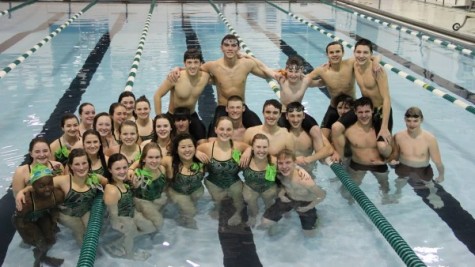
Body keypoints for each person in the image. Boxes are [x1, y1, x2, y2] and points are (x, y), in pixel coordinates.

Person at [169, 34, 277, 137]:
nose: (230, 48)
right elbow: (192, 69)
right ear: (221, 48)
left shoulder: (246, 64)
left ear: (238, 48)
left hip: (241, 107)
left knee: (260, 133)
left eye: (233, 45)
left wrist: (249, 56)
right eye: (227, 45)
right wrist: (177, 68)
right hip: (222, 108)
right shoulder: (213, 65)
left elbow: (266, 74)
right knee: (211, 138)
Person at [17, 149, 107, 245]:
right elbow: (39, 185)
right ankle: (85, 255)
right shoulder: (63, 181)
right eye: (77, 164)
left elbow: (107, 183)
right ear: (71, 166)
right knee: (80, 231)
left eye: (84, 163)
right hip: (66, 214)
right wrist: (22, 191)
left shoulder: (95, 178)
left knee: (94, 231)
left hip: (85, 210)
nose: (81, 167)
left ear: (89, 164)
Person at [332, 39, 391, 162]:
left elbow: (387, 99)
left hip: (379, 110)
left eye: (365, 53)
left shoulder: (378, 71)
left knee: (383, 147)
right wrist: (328, 63)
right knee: (336, 127)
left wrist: (384, 127)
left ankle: (394, 153)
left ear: (370, 54)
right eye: (358, 52)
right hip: (363, 108)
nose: (361, 55)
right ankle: (341, 158)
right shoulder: (354, 64)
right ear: (354, 52)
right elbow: (338, 62)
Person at [307, 41, 380, 141]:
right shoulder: (322, 70)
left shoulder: (351, 63)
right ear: (327, 54)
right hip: (334, 108)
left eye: (338, 51)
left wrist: (376, 63)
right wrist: (319, 82)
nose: (335, 54)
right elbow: (306, 80)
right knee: (322, 139)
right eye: (331, 52)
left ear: (343, 52)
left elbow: (375, 56)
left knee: (357, 138)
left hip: (352, 109)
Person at [259, 149, 326, 237]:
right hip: (288, 199)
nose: (284, 166)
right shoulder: (279, 173)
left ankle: (316, 218)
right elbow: (284, 185)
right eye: (281, 163)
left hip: (305, 203)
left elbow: (322, 195)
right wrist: (281, 195)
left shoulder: (304, 180)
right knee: (265, 223)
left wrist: (309, 207)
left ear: (294, 163)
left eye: (288, 162)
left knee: (310, 236)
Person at [197, 116, 249, 226]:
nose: (225, 133)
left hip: (233, 180)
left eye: (228, 129)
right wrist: (197, 153)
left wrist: (247, 152)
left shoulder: (237, 146)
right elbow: (192, 150)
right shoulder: (207, 147)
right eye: (221, 129)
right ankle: (218, 206)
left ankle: (238, 213)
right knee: (220, 203)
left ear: (233, 131)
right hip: (213, 181)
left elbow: (250, 147)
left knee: (239, 202)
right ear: (215, 129)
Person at [389, 107, 445, 208]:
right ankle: (397, 193)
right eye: (409, 120)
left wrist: (441, 175)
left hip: (423, 169)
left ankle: (433, 196)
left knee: (430, 184)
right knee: (399, 181)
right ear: (405, 120)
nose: (411, 124)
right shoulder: (398, 136)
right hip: (403, 166)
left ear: (421, 120)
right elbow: (394, 154)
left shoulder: (429, 139)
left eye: (415, 121)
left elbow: (437, 161)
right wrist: (392, 160)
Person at [103, 153, 156, 260]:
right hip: (121, 217)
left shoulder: (124, 182)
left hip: (131, 213)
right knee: (130, 231)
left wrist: (135, 186)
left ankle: (117, 243)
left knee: (150, 227)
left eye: (124, 167)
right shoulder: (112, 190)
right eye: (117, 168)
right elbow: (113, 213)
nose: (122, 171)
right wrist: (118, 224)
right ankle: (129, 255)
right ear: (110, 170)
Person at [12, 164, 65, 267]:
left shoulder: (57, 195)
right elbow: (18, 221)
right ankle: (38, 261)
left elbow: (54, 207)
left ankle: (41, 254)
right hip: (26, 221)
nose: (47, 189)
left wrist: (54, 221)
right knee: (41, 243)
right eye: (41, 186)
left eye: (50, 184)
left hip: (41, 215)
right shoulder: (27, 202)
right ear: (33, 187)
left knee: (51, 239)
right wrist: (27, 236)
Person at [342, 97, 392, 204]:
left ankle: (386, 199)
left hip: (379, 165)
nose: (364, 115)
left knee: (385, 189)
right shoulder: (349, 131)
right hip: (357, 166)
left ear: (372, 110)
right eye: (360, 112)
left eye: (367, 111)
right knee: (347, 194)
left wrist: (386, 161)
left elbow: (394, 153)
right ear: (355, 112)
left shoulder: (381, 131)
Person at [154, 48, 209, 144]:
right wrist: (159, 118)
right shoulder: (176, 77)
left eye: (196, 62)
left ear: (201, 64)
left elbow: (222, 74)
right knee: (162, 142)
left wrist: (242, 55)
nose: (192, 66)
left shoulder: (205, 77)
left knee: (203, 140)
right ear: (185, 63)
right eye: (189, 62)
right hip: (173, 116)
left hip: (191, 115)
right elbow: (157, 95)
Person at [161, 133, 204, 229]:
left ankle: (182, 217)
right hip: (177, 192)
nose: (187, 150)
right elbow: (147, 160)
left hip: (195, 192)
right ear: (176, 150)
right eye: (183, 147)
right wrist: (131, 169)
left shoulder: (201, 162)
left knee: (193, 210)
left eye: (190, 146)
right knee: (190, 213)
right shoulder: (169, 161)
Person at [285, 102, 333, 175]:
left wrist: (308, 159)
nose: (295, 120)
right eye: (292, 116)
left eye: (298, 115)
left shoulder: (312, 133)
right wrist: (294, 160)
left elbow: (329, 149)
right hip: (288, 172)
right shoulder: (282, 134)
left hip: (309, 172)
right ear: (286, 116)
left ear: (303, 116)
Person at [242, 134, 277, 227]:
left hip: (268, 187)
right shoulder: (245, 159)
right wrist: (246, 150)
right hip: (250, 187)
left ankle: (269, 217)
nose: (261, 151)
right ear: (252, 147)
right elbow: (232, 149)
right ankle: (253, 215)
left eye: (265, 147)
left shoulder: (274, 161)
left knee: (269, 202)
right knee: (249, 199)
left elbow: (289, 170)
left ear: (268, 148)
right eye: (258, 147)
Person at [132, 142, 168, 231]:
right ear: (144, 159)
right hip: (142, 202)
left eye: (157, 157)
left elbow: (163, 186)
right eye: (150, 157)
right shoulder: (138, 174)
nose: (154, 161)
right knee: (159, 223)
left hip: (156, 200)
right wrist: (135, 184)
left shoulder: (162, 169)